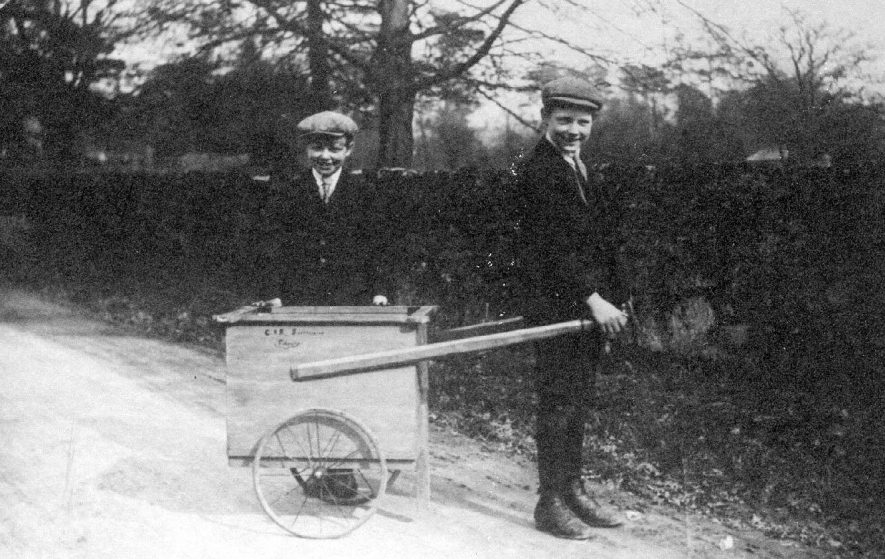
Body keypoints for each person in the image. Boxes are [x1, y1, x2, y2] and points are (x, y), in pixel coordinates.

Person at [509, 76, 629, 539]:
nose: (573, 129)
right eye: (564, 120)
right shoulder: (536, 172)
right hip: (557, 305)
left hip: (586, 309)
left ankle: (573, 488)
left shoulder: (579, 168)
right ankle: (550, 501)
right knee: (558, 402)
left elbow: (597, 242)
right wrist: (594, 299)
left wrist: (617, 295)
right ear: (544, 120)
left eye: (583, 121)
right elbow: (551, 247)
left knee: (578, 399)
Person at [258, 110, 391, 306]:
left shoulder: (365, 193)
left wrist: (380, 292)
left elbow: (378, 246)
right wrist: (272, 293)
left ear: (349, 149)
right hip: (298, 299)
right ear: (306, 148)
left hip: (353, 299)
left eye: (335, 149)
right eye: (317, 148)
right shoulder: (287, 192)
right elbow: (273, 246)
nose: (325, 156)